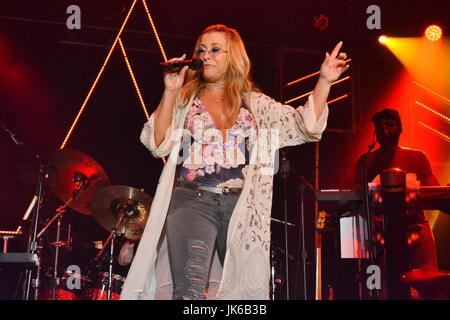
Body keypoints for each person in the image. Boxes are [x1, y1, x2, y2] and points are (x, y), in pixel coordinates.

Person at [121, 24, 349, 300]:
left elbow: (303, 125)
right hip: (192, 202)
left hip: (241, 208)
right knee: (188, 293)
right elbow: (158, 145)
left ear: (233, 57)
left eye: (216, 49)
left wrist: (324, 80)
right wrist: (170, 90)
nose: (206, 56)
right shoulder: (185, 98)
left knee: (243, 295)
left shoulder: (255, 104)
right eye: (201, 50)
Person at [353, 108, 439, 298]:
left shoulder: (417, 156)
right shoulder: (366, 161)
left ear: (400, 128)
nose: (384, 129)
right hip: (380, 233)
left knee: (427, 285)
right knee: (381, 288)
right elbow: (355, 199)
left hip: (416, 227)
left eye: (389, 124)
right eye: (379, 126)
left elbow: (435, 191)